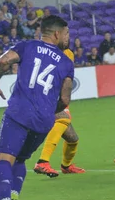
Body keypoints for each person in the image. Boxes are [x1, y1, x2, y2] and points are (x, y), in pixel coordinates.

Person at [0, 15, 73, 200]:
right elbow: (65, 98)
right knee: (22, 158)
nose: (69, 38)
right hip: (44, 121)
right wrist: (48, 108)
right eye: (67, 33)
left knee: (5, 158)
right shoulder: (67, 62)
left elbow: (3, 61)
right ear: (57, 34)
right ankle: (14, 197)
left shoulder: (27, 46)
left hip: (19, 113)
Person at [33, 48, 85, 177]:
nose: (67, 37)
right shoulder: (45, 50)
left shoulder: (68, 53)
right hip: (45, 91)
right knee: (63, 118)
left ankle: (66, 166)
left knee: (72, 139)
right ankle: (43, 161)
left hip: (55, 91)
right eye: (64, 33)